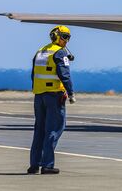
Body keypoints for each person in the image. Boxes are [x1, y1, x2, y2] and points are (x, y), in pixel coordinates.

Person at [27, 25, 76, 175]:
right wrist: (71, 93)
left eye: (68, 38)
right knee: (53, 129)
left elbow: (33, 74)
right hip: (54, 96)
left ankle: (34, 165)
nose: (67, 41)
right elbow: (64, 74)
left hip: (39, 96)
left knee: (39, 130)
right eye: (65, 37)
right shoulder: (59, 53)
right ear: (58, 36)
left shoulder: (41, 51)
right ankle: (47, 165)